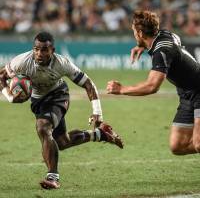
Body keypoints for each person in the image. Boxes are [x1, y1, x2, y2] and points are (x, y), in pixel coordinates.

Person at [0, 31, 123, 190]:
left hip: (58, 95)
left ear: (53, 50)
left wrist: (97, 111)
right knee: (62, 142)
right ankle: (100, 134)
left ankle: (53, 177)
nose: (39, 53)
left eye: (44, 50)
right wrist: (9, 96)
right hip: (39, 101)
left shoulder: (62, 63)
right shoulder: (21, 62)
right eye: (36, 49)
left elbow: (88, 83)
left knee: (43, 128)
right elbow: (1, 76)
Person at [107, 10, 200, 157]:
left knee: (198, 143)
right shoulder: (165, 35)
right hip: (186, 94)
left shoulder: (161, 51)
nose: (134, 35)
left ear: (141, 33)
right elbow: (174, 40)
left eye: (134, 32)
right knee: (177, 146)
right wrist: (142, 46)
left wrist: (121, 89)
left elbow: (152, 86)